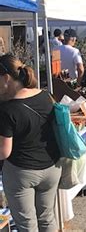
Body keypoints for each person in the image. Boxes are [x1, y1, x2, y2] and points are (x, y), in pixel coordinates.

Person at [0, 54, 61, 231]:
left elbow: (4, 152)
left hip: (22, 172)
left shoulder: (7, 110)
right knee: (47, 218)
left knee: (27, 224)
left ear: (6, 78)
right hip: (51, 167)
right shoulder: (46, 96)